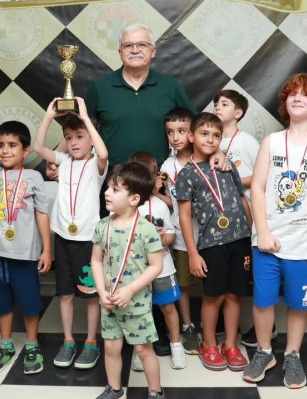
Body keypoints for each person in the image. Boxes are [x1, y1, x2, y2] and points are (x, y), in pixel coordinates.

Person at [242, 73, 307, 389]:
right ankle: (264, 351)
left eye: (306, 94)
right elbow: (257, 188)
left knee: (299, 303)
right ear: (285, 102)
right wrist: (262, 231)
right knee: (263, 300)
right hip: (267, 240)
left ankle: (292, 355)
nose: (297, 97)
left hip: (306, 242)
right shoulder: (271, 142)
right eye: (292, 93)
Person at [0, 86, 52, 375]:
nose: (5, 150)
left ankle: (32, 344)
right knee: (1, 301)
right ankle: (6, 344)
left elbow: (42, 214)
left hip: (24, 253)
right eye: (1, 145)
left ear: (26, 150)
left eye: (12, 145)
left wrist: (47, 250)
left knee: (30, 302)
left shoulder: (33, 177)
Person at [34, 96, 108, 370]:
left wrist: (85, 118)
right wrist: (48, 117)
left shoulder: (96, 165)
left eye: (80, 137)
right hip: (63, 238)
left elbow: (103, 154)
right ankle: (68, 340)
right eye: (68, 138)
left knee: (90, 295)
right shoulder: (63, 161)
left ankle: (91, 342)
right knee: (65, 294)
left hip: (87, 240)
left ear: (91, 138)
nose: (74, 142)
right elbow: (38, 148)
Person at [176, 112, 252, 372]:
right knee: (214, 296)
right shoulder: (187, 174)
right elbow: (184, 216)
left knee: (234, 295)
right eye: (204, 133)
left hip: (240, 241)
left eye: (216, 135)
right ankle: (209, 344)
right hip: (211, 245)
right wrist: (193, 254)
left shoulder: (227, 165)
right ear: (191, 136)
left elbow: (242, 199)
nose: (210, 139)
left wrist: (251, 235)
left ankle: (230, 344)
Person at [91, 163, 165, 399]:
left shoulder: (147, 229)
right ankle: (114, 388)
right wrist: (101, 292)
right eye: (108, 187)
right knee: (111, 347)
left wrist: (130, 289)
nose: (107, 192)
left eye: (115, 189)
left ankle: (156, 392)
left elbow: (156, 266)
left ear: (134, 199)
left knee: (143, 350)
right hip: (109, 300)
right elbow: (96, 260)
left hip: (136, 303)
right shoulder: (103, 225)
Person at [86, 22, 196, 169]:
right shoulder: (100, 87)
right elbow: (79, 129)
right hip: (113, 177)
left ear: (153, 51)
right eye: (128, 45)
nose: (135, 50)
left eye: (142, 45)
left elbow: (198, 126)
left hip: (158, 177)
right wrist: (58, 157)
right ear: (120, 52)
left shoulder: (171, 86)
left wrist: (216, 152)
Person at [129, 151, 187, 371]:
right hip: (137, 268)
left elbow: (171, 235)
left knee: (168, 307)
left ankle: (176, 344)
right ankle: (141, 349)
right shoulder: (128, 205)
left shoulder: (161, 205)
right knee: (140, 309)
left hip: (163, 267)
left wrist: (164, 237)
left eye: (151, 176)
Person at [159, 108, 201, 354]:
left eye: (181, 131)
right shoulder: (167, 165)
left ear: (192, 133)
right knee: (184, 284)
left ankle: (212, 323)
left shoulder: (205, 159)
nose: (175, 137)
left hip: (209, 234)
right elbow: (171, 201)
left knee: (212, 284)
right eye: (170, 132)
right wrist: (155, 193)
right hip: (182, 237)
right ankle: (187, 325)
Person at [214, 89, 260, 197]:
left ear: (238, 113)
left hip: (247, 203)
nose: (217, 108)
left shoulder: (247, 141)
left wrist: (231, 181)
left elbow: (263, 176)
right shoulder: (210, 142)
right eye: (216, 105)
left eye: (224, 104)